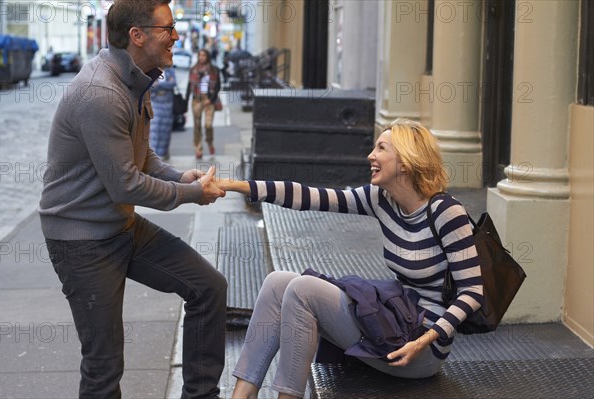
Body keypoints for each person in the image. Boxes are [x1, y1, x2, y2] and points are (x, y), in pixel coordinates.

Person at [38, 1, 227, 398]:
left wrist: (179, 176)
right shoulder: (101, 93)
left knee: (208, 288)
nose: (176, 36)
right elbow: (125, 184)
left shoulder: (135, 79)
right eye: (168, 28)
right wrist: (191, 193)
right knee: (104, 364)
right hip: (81, 242)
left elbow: (139, 154)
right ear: (137, 35)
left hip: (119, 228)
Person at [216, 118, 483, 398]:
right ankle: (241, 395)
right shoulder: (380, 199)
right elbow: (309, 196)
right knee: (277, 281)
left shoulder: (446, 212)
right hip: (392, 324)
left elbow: (472, 291)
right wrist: (235, 185)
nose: (371, 155)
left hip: (419, 349)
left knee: (303, 289)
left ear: (405, 162)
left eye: (381, 148)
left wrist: (425, 341)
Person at [186, 48, 221, 159]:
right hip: (196, 100)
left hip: (209, 100)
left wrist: (211, 99)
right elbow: (189, 86)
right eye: (200, 55)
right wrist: (185, 101)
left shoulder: (214, 70)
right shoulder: (193, 69)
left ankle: (209, 142)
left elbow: (218, 86)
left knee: (208, 125)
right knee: (197, 126)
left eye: (204, 55)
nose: (201, 57)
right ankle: (198, 148)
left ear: (208, 57)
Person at [150, 66, 177, 160]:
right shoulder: (152, 70)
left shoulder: (170, 71)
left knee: (165, 130)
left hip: (167, 104)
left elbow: (173, 83)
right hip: (155, 103)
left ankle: (163, 153)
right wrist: (165, 84)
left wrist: (159, 85)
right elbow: (151, 85)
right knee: (155, 129)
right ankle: (154, 154)